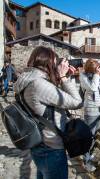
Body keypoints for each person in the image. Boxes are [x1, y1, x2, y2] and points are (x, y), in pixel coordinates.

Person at [14, 46, 82, 179]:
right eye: (55, 62)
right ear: (48, 63)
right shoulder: (38, 84)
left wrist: (65, 77)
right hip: (51, 146)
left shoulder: (28, 79)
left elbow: (51, 96)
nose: (56, 66)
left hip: (41, 144)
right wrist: (62, 76)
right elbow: (77, 102)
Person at [79, 58, 100, 172]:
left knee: (95, 134)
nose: (99, 69)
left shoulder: (98, 76)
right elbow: (92, 88)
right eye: (97, 67)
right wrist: (98, 75)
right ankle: (86, 162)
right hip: (91, 110)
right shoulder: (83, 76)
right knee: (89, 136)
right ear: (92, 68)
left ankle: (89, 155)